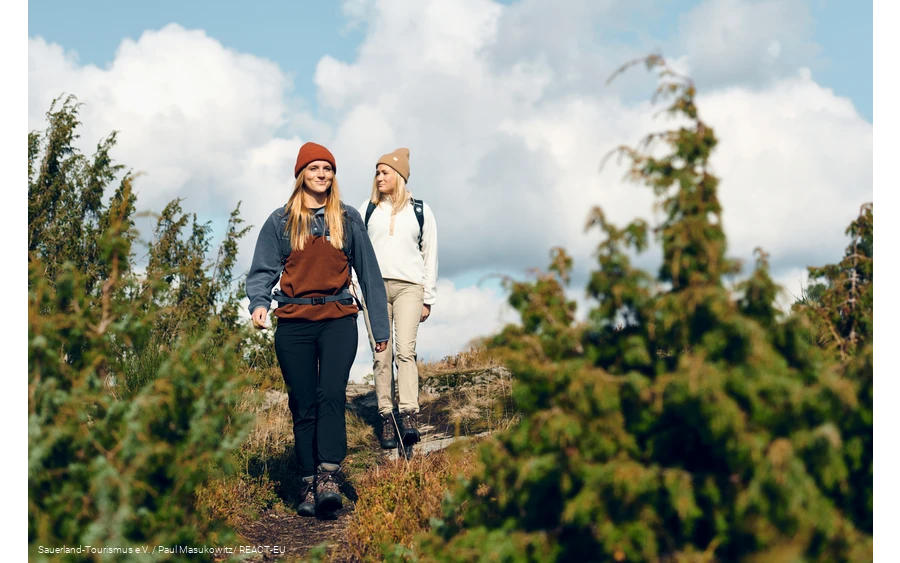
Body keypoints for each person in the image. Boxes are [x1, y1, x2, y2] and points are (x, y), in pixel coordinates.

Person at [246, 142, 389, 518]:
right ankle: (307, 479)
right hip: (293, 322)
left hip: (338, 317)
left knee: (330, 394)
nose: (322, 174)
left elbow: (370, 276)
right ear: (301, 175)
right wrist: (259, 303)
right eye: (314, 168)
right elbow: (262, 271)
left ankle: (328, 476)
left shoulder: (348, 218)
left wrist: (379, 328)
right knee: (303, 401)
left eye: (327, 168)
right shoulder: (280, 221)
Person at [358, 148, 438, 451]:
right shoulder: (366, 209)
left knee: (405, 351)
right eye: (377, 172)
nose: (379, 177)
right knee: (382, 354)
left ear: (400, 176)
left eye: (385, 172)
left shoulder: (420, 210)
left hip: (409, 289)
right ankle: (386, 415)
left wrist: (428, 297)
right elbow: (356, 253)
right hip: (374, 289)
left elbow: (430, 254)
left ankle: (407, 414)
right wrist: (356, 287)